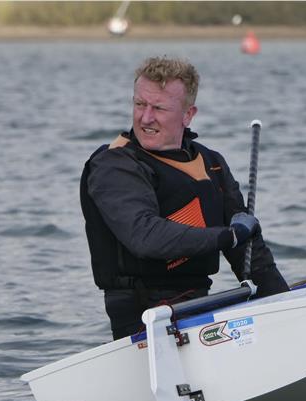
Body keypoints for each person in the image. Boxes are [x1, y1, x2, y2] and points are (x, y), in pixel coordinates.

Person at [80, 56, 289, 340]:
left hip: (199, 307)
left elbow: (249, 251)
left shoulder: (211, 162)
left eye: (159, 108)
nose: (145, 118)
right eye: (140, 104)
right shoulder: (114, 165)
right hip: (144, 320)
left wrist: (286, 308)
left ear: (188, 114)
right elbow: (145, 237)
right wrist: (227, 236)